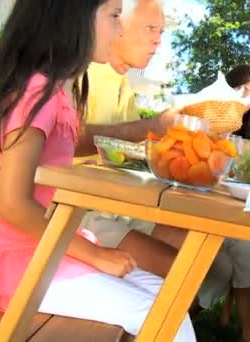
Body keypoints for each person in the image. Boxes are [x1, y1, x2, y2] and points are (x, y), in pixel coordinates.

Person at [0, 0, 195, 340]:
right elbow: (13, 205)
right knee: (165, 317)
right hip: (12, 260)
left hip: (43, 250)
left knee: (170, 299)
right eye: (113, 16)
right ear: (72, 17)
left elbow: (64, 155)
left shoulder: (54, 90)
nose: (119, 28)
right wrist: (95, 255)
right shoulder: (36, 91)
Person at [77, 0, 188, 278]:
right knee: (179, 268)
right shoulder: (80, 70)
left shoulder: (122, 82)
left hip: (117, 206)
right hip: (76, 208)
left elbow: (129, 154)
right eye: (150, 28)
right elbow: (69, 138)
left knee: (189, 242)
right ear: (119, 25)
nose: (158, 41)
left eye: (161, 32)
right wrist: (150, 126)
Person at [193, 64, 250, 342]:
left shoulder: (247, 138)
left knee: (236, 252)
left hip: (224, 211)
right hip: (194, 206)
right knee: (236, 249)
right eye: (241, 89)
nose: (244, 98)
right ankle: (248, 328)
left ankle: (191, 311)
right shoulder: (202, 114)